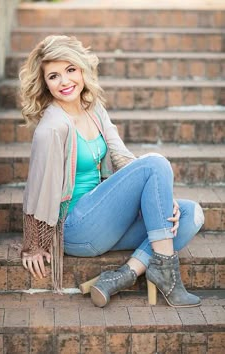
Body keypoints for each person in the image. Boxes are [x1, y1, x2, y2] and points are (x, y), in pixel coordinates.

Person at [20, 35, 204, 308]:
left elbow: (121, 156)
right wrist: (34, 244)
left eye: (71, 70)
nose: (65, 82)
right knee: (155, 162)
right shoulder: (52, 127)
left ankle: (122, 276)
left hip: (105, 219)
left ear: (82, 69)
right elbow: (37, 187)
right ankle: (167, 275)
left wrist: (161, 197)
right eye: (54, 76)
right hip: (77, 228)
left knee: (190, 213)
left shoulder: (93, 108)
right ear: (44, 82)